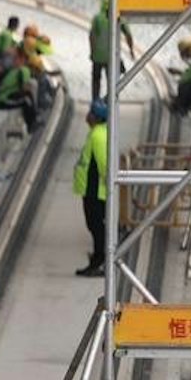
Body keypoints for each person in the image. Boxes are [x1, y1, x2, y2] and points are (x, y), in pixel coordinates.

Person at [72, 99, 109, 277]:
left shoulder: (98, 136)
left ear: (96, 117)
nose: (87, 115)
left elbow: (103, 163)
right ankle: (98, 258)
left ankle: (99, 261)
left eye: (91, 113)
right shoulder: (97, 133)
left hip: (95, 190)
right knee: (95, 225)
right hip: (92, 189)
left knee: (96, 225)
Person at [88, 0, 136, 99]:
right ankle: (111, 100)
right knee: (112, 80)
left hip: (97, 56)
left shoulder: (97, 18)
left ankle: (95, 100)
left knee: (96, 79)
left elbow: (92, 36)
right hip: (111, 57)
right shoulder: (118, 18)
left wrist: (92, 52)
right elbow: (128, 35)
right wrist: (131, 50)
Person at [0, 54, 42, 132]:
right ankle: (31, 125)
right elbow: (24, 88)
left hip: (6, 95)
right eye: (37, 70)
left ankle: (34, 118)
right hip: (2, 100)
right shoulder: (25, 71)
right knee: (26, 101)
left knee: (28, 96)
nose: (36, 73)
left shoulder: (19, 69)